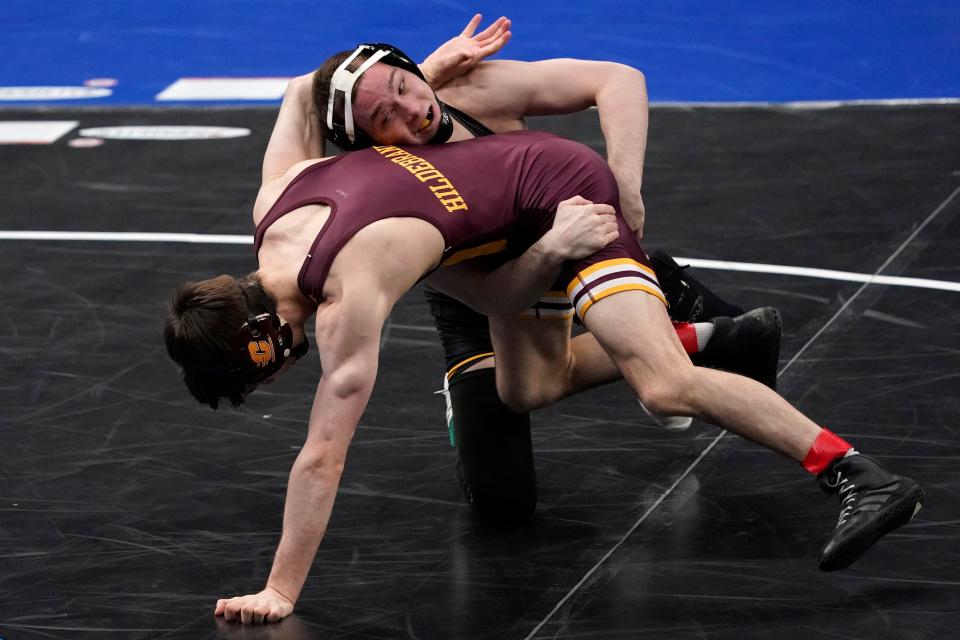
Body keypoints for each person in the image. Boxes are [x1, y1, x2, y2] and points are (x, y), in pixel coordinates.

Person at [165, 92, 923, 623]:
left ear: (262, 338)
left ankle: (858, 474)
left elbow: (321, 459)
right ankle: (715, 335)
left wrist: (280, 590)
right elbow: (306, 87)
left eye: (259, 371)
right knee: (526, 386)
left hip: (561, 193)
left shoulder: (346, 303)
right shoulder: (273, 203)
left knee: (663, 389)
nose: (275, 379)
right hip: (503, 227)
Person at [310, 22, 781, 521]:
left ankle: (653, 304)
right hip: (483, 298)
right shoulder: (385, 186)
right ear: (370, 146)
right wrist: (418, 74)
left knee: (652, 376)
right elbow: (494, 297)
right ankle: (690, 335)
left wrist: (624, 191)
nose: (415, 110)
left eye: (406, 86)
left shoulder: (470, 92)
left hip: (564, 249)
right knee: (502, 502)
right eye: (388, 114)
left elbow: (618, 80)